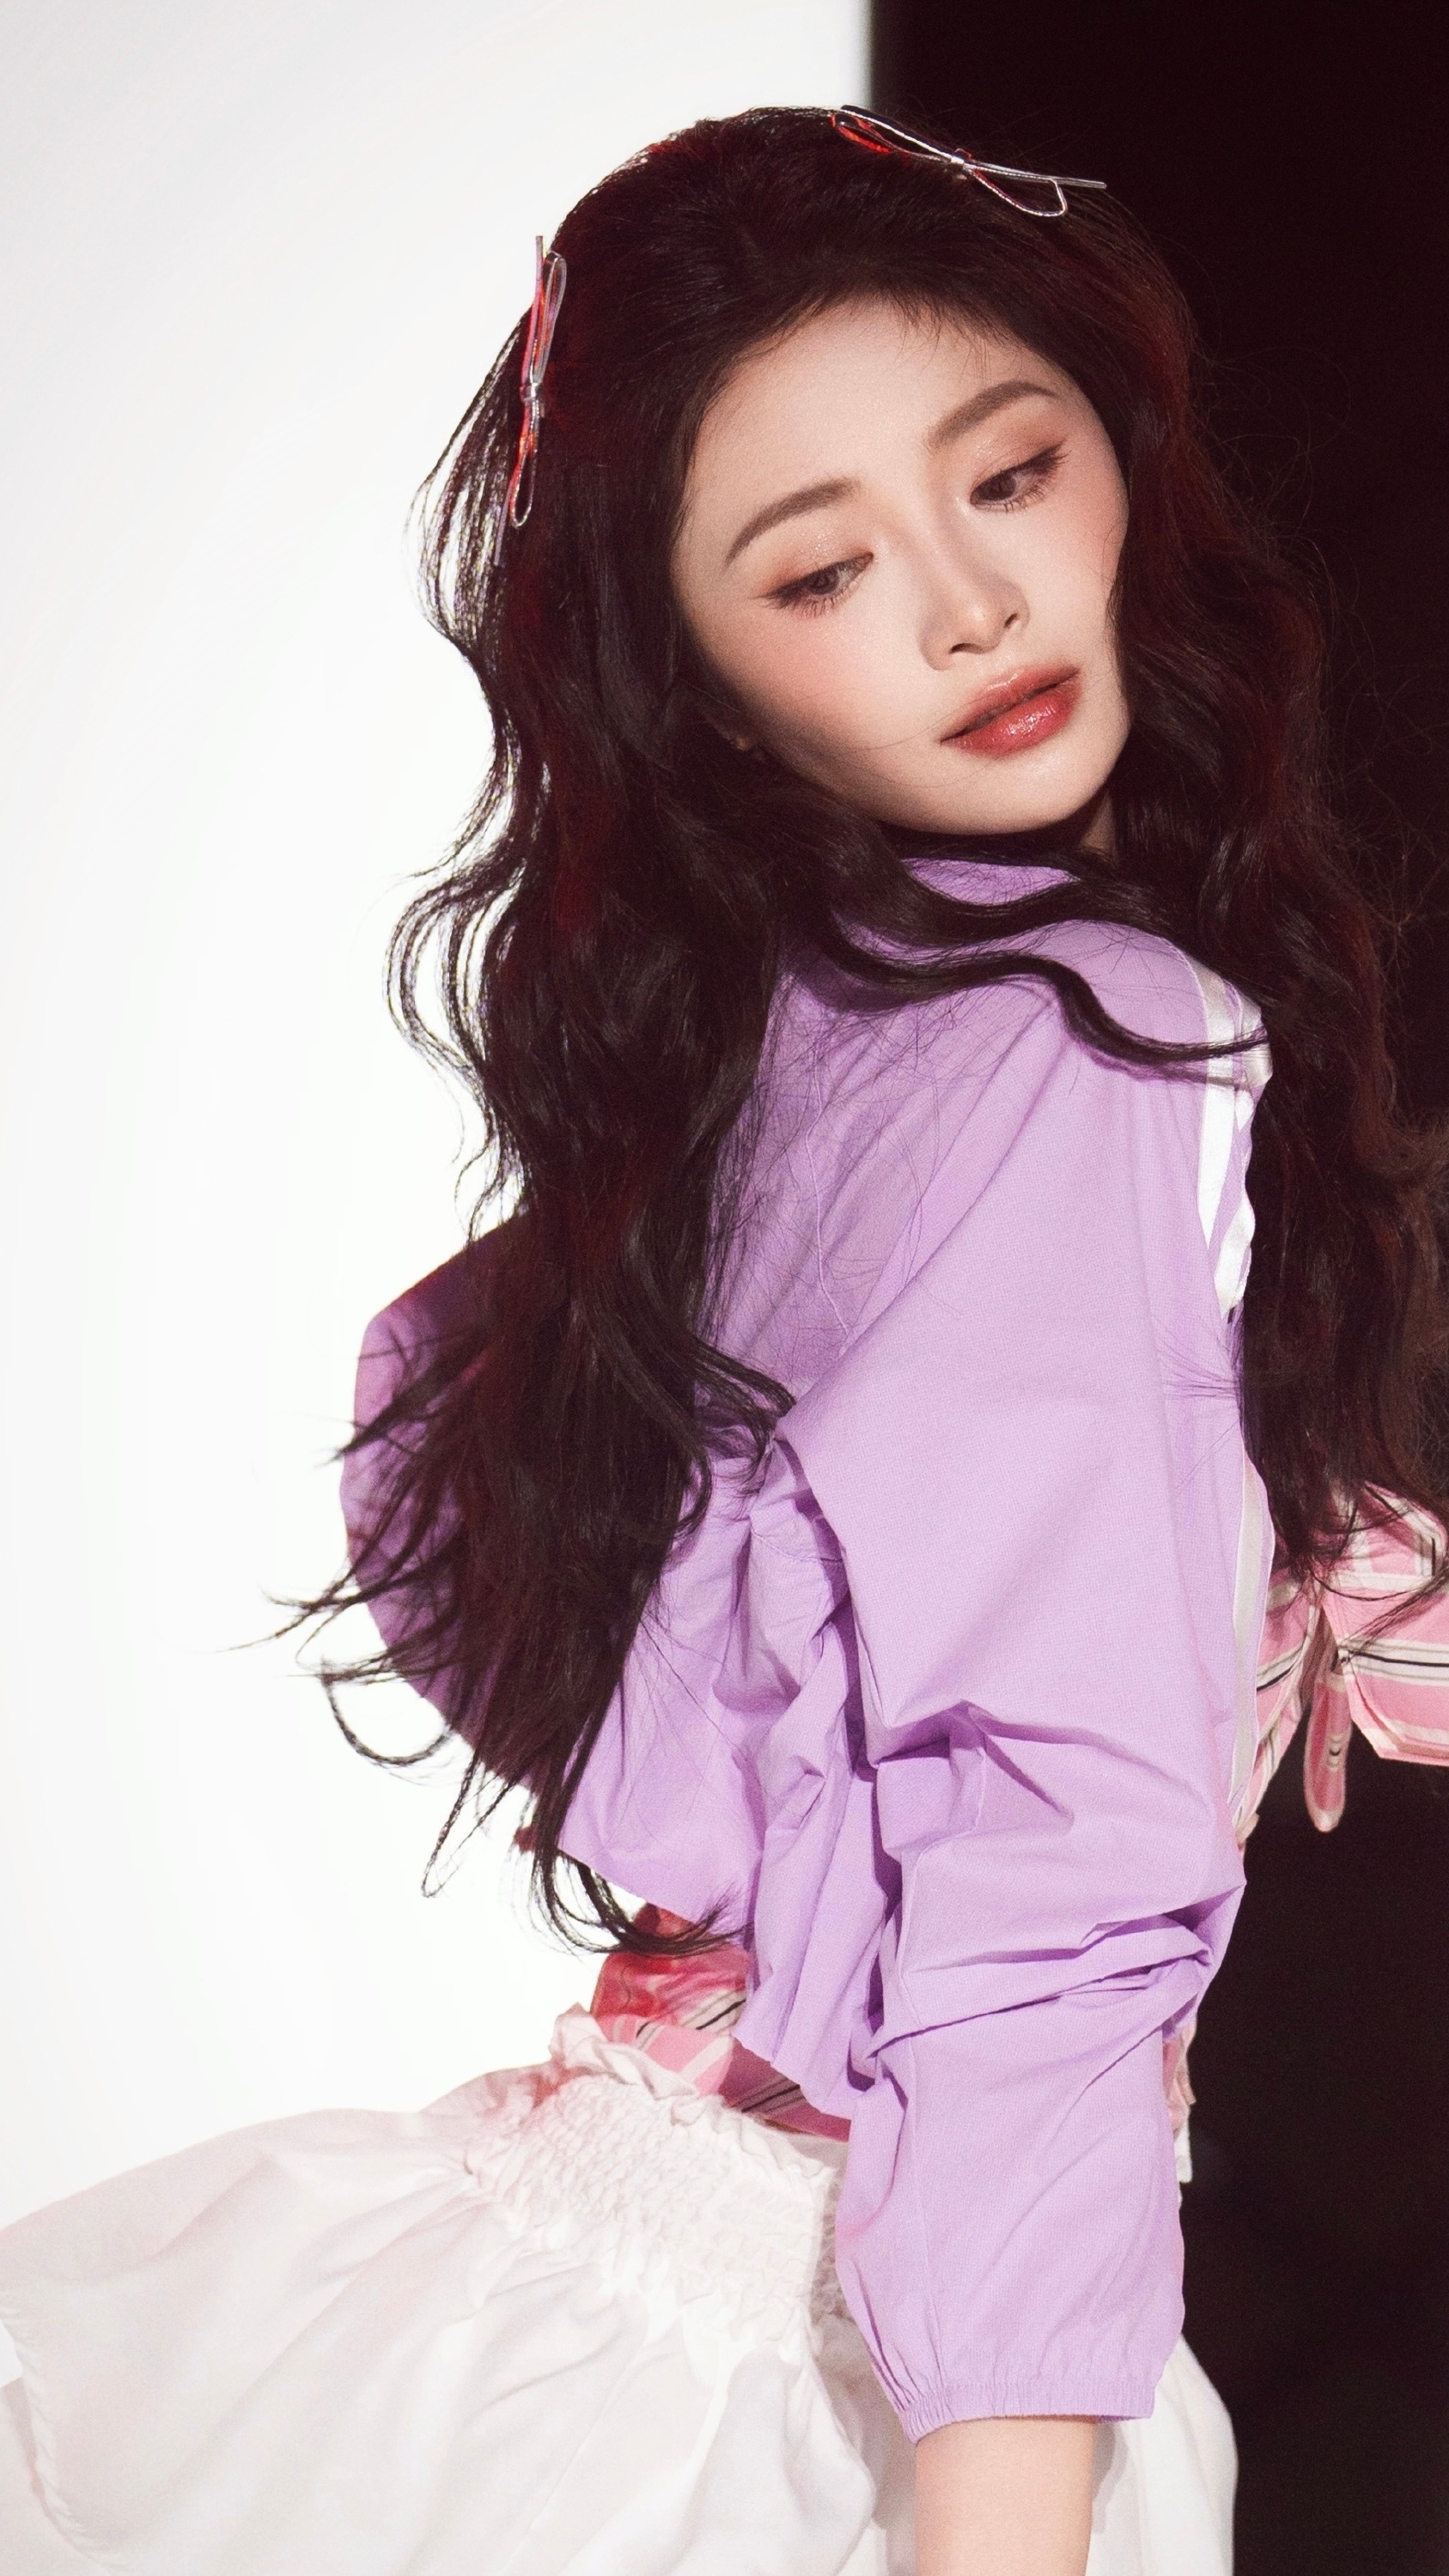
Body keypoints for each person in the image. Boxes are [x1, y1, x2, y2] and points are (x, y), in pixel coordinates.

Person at [3, 104, 1448, 2576]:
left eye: (1011, 474)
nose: (970, 607)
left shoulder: (780, 1056)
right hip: (860, 2408)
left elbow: (479, 1502)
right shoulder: (1091, 1042)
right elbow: (1044, 1868)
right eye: (822, 571)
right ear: (706, 687)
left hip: (538, 2309)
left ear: (1122, 457)